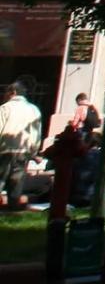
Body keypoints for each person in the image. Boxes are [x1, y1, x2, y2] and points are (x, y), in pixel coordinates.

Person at [0, 83, 44, 211]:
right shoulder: (34, 110)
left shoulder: (5, 108)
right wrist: (33, 152)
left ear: (13, 92)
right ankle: (13, 211)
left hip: (4, 149)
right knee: (16, 183)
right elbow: (36, 133)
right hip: (23, 151)